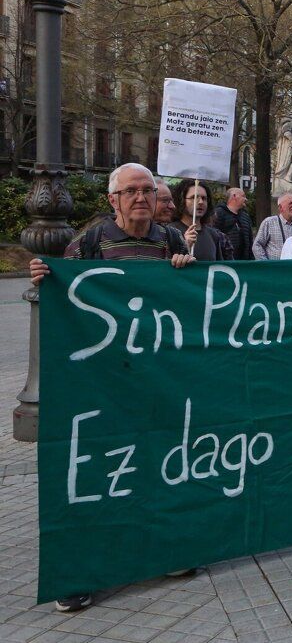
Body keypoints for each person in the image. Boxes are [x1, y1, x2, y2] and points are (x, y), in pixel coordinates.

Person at [27, 162, 197, 614]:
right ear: (113, 200)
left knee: (159, 462)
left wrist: (187, 269)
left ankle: (166, 550)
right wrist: (46, 276)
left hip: (157, 377)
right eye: (131, 191)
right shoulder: (91, 240)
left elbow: (190, 299)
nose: (141, 197)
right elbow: (65, 288)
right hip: (103, 380)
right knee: (95, 469)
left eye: (148, 190)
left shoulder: (171, 240)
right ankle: (79, 571)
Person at [171, 182, 234, 261]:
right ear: (182, 200)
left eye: (204, 198)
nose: (200, 202)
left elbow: (218, 267)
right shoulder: (170, 231)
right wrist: (185, 246)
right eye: (193, 197)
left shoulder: (213, 235)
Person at [252, 192, 292, 260]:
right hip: (274, 268)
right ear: (280, 208)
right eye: (290, 203)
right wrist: (265, 264)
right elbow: (257, 245)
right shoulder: (269, 223)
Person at [214, 188, 253, 260]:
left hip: (244, 262)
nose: (246, 199)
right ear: (234, 196)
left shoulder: (245, 216)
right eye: (243, 196)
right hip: (226, 261)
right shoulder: (219, 213)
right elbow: (214, 237)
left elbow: (250, 240)